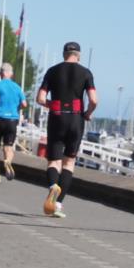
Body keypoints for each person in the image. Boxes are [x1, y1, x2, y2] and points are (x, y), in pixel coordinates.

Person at [35, 42, 98, 218]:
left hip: (57, 116)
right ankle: (59, 204)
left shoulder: (52, 71)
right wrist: (88, 113)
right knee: (69, 163)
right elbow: (94, 100)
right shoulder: (86, 73)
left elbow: (40, 98)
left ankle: (52, 186)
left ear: (64, 54)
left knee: (54, 161)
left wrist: (52, 104)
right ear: (79, 55)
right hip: (76, 118)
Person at [0, 63, 27, 183]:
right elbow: (24, 104)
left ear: (1, 73)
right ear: (11, 74)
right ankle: (7, 162)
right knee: (8, 146)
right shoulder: (17, 87)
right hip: (12, 120)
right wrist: (17, 108)